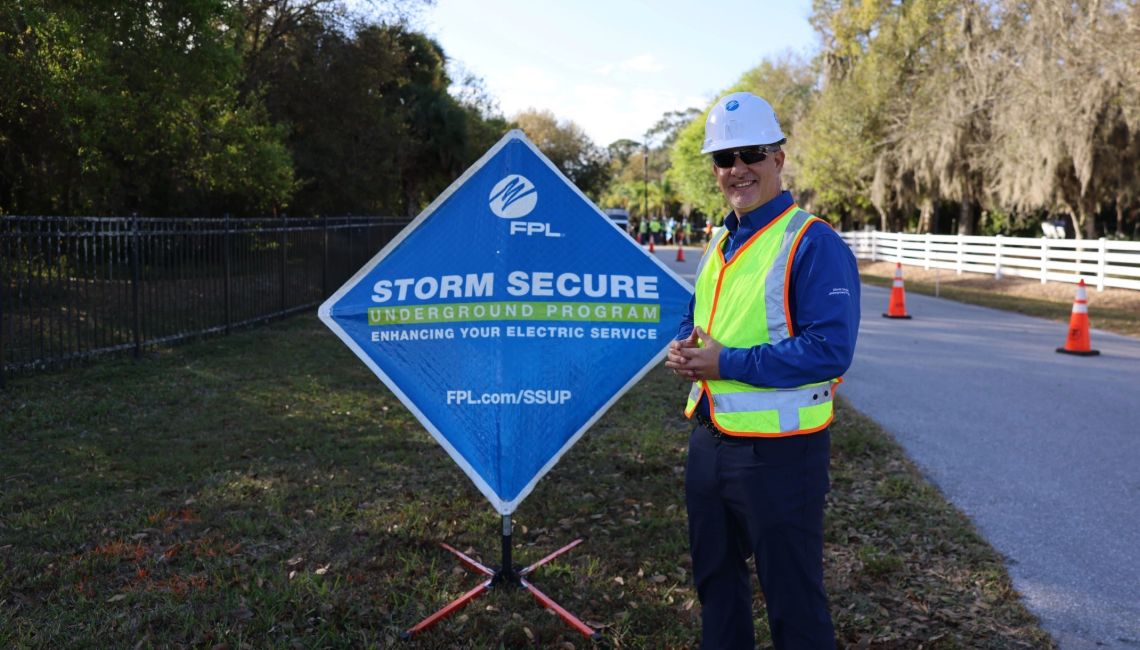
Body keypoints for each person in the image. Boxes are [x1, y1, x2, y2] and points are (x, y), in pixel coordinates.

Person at [665, 91, 860, 650]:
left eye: (750, 153)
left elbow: (829, 350)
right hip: (709, 442)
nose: (737, 169)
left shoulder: (813, 241)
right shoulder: (723, 238)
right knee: (717, 590)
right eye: (724, 159)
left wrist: (724, 362)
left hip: (782, 453)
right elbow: (700, 313)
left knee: (793, 603)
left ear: (778, 158)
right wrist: (685, 344)